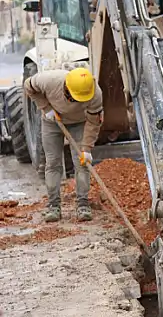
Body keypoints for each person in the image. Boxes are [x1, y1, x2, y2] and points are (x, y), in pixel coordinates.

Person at [23, 67, 104, 223]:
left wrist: (87, 148)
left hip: (79, 123)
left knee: (82, 164)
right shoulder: (49, 80)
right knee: (53, 163)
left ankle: (83, 205)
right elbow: (28, 86)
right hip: (52, 122)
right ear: (66, 87)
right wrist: (46, 108)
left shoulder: (95, 92)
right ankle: (53, 206)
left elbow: (94, 121)